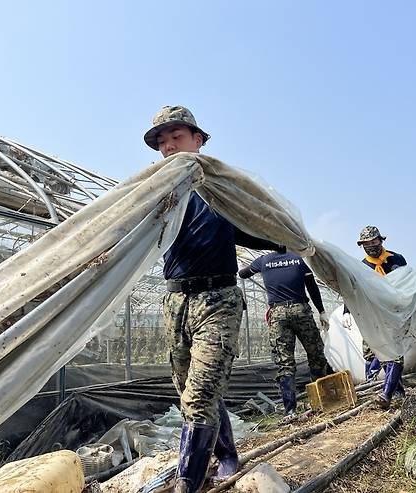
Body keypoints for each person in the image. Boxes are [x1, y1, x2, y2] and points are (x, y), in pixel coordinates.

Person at [145, 105, 285, 492]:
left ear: (199, 140)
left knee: (202, 391)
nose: (169, 146)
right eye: (162, 141)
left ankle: (186, 483)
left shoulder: (220, 192)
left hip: (218, 300)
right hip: (175, 304)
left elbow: (257, 229)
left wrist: (283, 236)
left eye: (177, 136)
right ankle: (226, 455)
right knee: (191, 389)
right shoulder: (160, 195)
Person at [239, 251, 332, 416]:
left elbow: (243, 274)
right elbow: (312, 286)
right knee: (316, 355)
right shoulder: (300, 259)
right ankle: (321, 402)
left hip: (278, 313)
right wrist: (321, 311)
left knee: (285, 363)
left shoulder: (263, 261)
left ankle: (290, 410)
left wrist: (265, 270)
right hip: (301, 310)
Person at [344, 226, 407, 409]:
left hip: (395, 313)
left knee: (394, 352)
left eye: (374, 242)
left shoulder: (396, 259)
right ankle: (397, 392)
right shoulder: (362, 266)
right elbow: (352, 290)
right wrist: (347, 310)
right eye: (366, 244)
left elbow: (408, 282)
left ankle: (387, 394)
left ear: (381, 240)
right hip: (372, 316)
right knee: (378, 353)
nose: (371, 246)